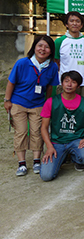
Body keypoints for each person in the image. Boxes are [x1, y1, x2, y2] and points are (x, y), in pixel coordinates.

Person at [4, 35, 59, 176]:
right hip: (19, 102)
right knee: (21, 132)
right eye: (40, 46)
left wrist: (47, 103)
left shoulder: (52, 66)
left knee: (37, 132)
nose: (43, 49)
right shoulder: (22, 63)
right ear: (34, 47)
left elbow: (50, 88)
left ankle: (36, 161)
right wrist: (7, 100)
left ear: (51, 51)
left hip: (38, 104)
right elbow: (11, 82)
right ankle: (21, 164)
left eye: (47, 47)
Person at [39, 71, 84, 181]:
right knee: (46, 176)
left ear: (78, 86)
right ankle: (62, 158)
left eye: (73, 82)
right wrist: (49, 146)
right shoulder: (51, 101)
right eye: (66, 81)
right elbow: (44, 127)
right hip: (57, 142)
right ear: (61, 83)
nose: (69, 85)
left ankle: (75, 159)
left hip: (76, 140)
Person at [54, 11, 84, 98]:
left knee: (83, 109)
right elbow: (56, 61)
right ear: (66, 24)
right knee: (64, 109)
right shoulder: (59, 41)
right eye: (71, 21)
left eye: (77, 21)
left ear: (81, 25)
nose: (74, 23)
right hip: (65, 84)